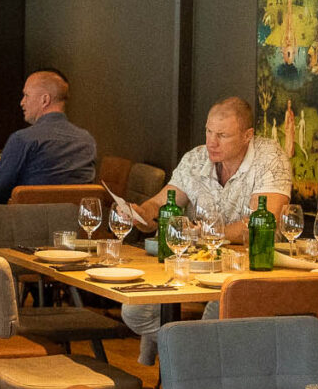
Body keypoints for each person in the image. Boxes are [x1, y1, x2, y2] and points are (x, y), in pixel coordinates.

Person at [115, 97, 293, 352]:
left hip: (251, 271)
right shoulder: (196, 159)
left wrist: (206, 234)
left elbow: (261, 222)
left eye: (222, 135)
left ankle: (194, 362)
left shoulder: (270, 158)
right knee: (136, 311)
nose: (211, 142)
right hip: (198, 267)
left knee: (216, 312)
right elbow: (161, 204)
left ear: (247, 136)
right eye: (208, 131)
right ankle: (194, 357)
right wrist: (139, 214)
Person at [0, 69, 99, 202]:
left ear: (45, 100)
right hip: (76, 215)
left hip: (29, 215)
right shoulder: (87, 140)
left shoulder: (23, 139)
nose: (22, 102)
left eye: (26, 95)